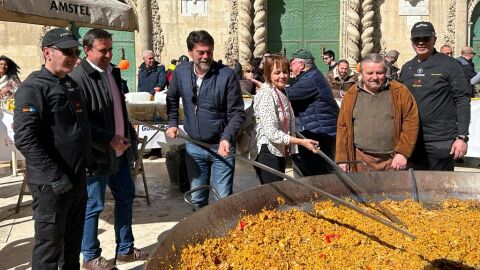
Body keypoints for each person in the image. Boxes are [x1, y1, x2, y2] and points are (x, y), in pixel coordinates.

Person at [71, 28, 148, 270]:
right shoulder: (78, 79)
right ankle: (90, 256)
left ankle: (125, 249)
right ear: (87, 50)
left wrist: (127, 130)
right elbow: (80, 124)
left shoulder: (112, 72)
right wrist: (107, 139)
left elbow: (117, 107)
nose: (108, 55)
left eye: (110, 50)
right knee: (93, 206)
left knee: (126, 197)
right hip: (97, 155)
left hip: (120, 151)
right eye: (102, 50)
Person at [13, 28, 90, 270]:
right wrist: (55, 176)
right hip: (51, 186)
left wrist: (108, 140)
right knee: (49, 248)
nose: (74, 57)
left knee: (72, 246)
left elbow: (80, 128)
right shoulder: (33, 88)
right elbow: (26, 139)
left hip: (76, 180)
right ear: (48, 52)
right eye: (67, 52)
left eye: (76, 52)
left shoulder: (71, 84)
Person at [166, 30, 245, 208]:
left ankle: (222, 235)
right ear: (190, 52)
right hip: (194, 146)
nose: (205, 56)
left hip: (221, 148)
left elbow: (237, 112)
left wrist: (227, 137)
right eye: (200, 52)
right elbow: (171, 99)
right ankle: (201, 236)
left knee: (223, 199)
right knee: (197, 198)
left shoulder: (226, 75)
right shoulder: (180, 73)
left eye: (209, 52)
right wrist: (172, 122)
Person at [400, 21, 471, 171]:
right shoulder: (407, 68)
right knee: (413, 186)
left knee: (441, 188)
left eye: (426, 38)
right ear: (411, 41)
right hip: (413, 139)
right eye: (416, 39)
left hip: (441, 139)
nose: (421, 42)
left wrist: (462, 137)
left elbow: (462, 100)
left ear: (434, 39)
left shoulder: (450, 65)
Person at [336, 53, 419, 172]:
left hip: (392, 160)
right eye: (369, 73)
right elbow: (342, 126)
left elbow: (411, 123)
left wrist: (402, 153)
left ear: (385, 72)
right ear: (361, 73)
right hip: (360, 160)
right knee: (361, 190)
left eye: (379, 73)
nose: (375, 77)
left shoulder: (400, 92)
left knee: (393, 191)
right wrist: (342, 158)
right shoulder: (351, 95)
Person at [250, 55, 318, 184]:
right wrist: (301, 142)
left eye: (285, 72)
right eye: (277, 73)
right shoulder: (266, 95)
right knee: (273, 195)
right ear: (268, 74)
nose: (282, 76)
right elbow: (272, 133)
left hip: (280, 149)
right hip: (267, 151)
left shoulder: (281, 91)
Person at [286, 49, 339, 177]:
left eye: (292, 64)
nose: (290, 67)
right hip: (314, 131)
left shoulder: (310, 79)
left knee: (317, 177)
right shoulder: (310, 76)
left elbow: (288, 95)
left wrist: (270, 87)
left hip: (318, 134)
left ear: (302, 65)